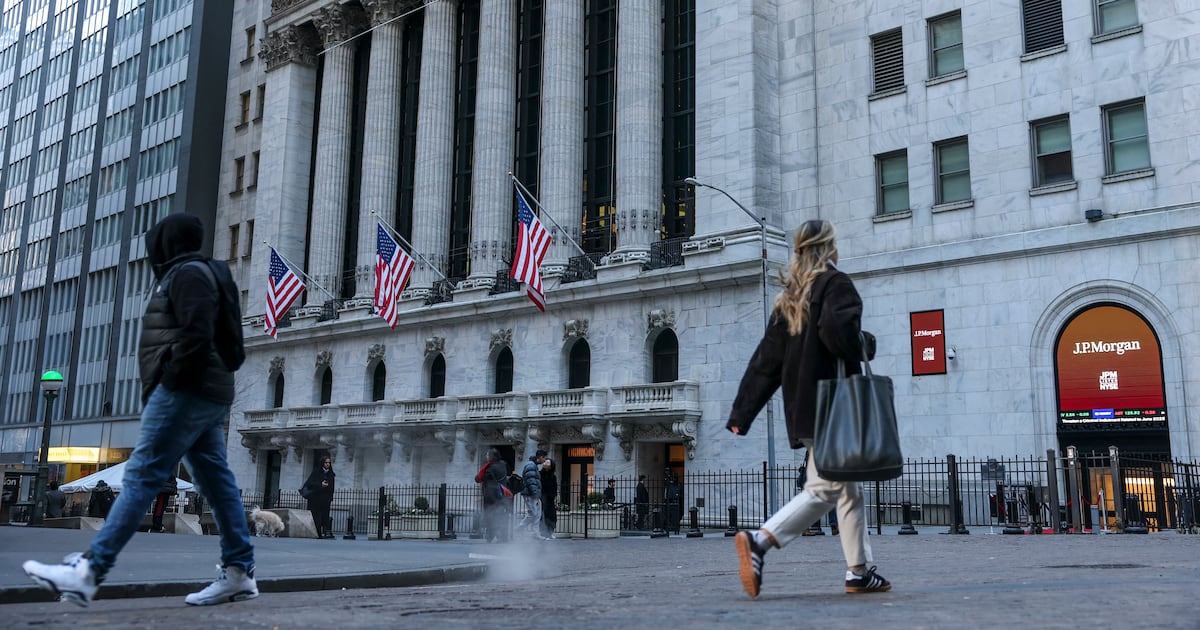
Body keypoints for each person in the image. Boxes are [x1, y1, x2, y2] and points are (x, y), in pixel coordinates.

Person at [23, 213, 256, 607]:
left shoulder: (187, 274)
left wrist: (169, 377)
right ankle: (238, 573)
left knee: (142, 475)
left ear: (166, 244)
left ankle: (89, 571)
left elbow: (197, 334)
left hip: (185, 391)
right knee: (217, 484)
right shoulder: (200, 274)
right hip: (206, 391)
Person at [727, 219, 890, 598]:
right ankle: (760, 540)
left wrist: (741, 414)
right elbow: (837, 333)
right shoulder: (836, 284)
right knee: (824, 489)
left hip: (803, 408)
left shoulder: (792, 295)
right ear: (829, 247)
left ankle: (858, 571)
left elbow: (766, 361)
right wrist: (863, 343)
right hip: (834, 404)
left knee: (847, 489)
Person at [474, 448, 509, 542]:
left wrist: (485, 468)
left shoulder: (489, 468)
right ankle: (503, 536)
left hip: (491, 495)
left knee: (490, 516)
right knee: (501, 515)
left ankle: (491, 535)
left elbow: (478, 479)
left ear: (492, 457)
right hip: (502, 494)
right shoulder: (503, 465)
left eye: (487, 455)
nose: (486, 456)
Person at [301, 456, 336, 538]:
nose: (328, 464)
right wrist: (320, 485)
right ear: (322, 463)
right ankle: (317, 533)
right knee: (316, 517)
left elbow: (332, 487)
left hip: (325, 499)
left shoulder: (331, 474)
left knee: (324, 517)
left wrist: (330, 497)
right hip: (315, 499)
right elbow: (310, 484)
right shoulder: (316, 472)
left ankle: (325, 532)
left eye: (329, 463)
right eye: (326, 463)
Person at [517, 450, 546, 538]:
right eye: (544, 458)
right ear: (540, 457)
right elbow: (531, 480)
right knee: (533, 513)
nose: (544, 460)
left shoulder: (533, 465)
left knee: (537, 514)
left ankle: (535, 533)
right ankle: (519, 527)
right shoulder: (531, 465)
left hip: (533, 493)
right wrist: (534, 493)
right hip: (531, 494)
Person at [540, 457, 558, 538]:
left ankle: (550, 532)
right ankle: (543, 532)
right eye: (545, 462)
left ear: (551, 466)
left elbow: (555, 487)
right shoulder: (540, 474)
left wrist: (553, 495)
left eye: (547, 462)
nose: (545, 463)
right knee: (542, 516)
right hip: (541, 498)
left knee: (551, 516)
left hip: (550, 499)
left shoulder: (553, 476)